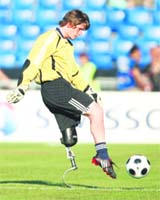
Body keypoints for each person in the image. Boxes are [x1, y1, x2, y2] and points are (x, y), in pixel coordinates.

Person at [6, 9, 116, 179]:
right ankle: (102, 155)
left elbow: (74, 73)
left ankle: (77, 141)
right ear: (70, 24)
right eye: (79, 29)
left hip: (60, 88)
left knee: (70, 139)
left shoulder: (66, 45)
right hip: (55, 88)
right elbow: (33, 61)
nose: (80, 34)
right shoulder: (50, 38)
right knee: (96, 111)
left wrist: (89, 91)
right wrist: (22, 86)